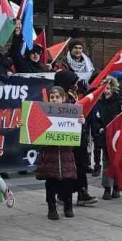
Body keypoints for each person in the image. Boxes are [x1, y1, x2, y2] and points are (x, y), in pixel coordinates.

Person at [55, 70, 97, 207]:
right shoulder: (56, 97)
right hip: (65, 139)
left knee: (80, 165)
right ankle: (62, 194)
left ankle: (82, 192)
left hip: (78, 137)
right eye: (73, 83)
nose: (75, 85)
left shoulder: (75, 96)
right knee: (67, 168)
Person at [36, 86, 78, 220]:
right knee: (51, 184)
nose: (54, 99)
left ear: (63, 98)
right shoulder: (42, 113)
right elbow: (35, 132)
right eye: (52, 97)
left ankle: (68, 205)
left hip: (66, 155)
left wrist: (81, 122)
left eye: (57, 97)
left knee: (67, 183)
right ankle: (52, 207)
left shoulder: (71, 113)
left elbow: (78, 134)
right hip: (50, 156)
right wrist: (24, 125)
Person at [90, 74, 122, 197]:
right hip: (106, 139)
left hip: (119, 140)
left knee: (119, 162)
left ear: (114, 89)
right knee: (107, 162)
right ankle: (107, 187)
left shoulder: (121, 104)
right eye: (104, 88)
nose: (106, 91)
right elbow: (95, 120)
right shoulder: (99, 104)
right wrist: (98, 130)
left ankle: (116, 186)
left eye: (108, 88)